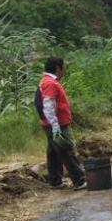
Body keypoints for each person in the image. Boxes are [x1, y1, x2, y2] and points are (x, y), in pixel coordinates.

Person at [35, 57, 86, 190]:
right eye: (63, 67)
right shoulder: (50, 83)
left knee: (53, 152)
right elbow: (48, 106)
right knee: (66, 150)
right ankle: (79, 180)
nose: (64, 71)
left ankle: (55, 181)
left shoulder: (46, 81)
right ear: (58, 68)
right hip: (56, 125)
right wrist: (55, 126)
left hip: (50, 124)